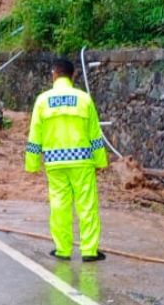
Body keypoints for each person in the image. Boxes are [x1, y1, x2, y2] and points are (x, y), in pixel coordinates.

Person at [25, 58, 109, 262]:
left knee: (59, 205)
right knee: (87, 205)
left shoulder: (43, 100)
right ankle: (89, 250)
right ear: (73, 76)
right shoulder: (84, 99)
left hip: (55, 162)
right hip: (82, 161)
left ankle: (62, 249)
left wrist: (32, 163)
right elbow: (95, 135)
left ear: (53, 74)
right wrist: (101, 162)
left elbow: (35, 134)